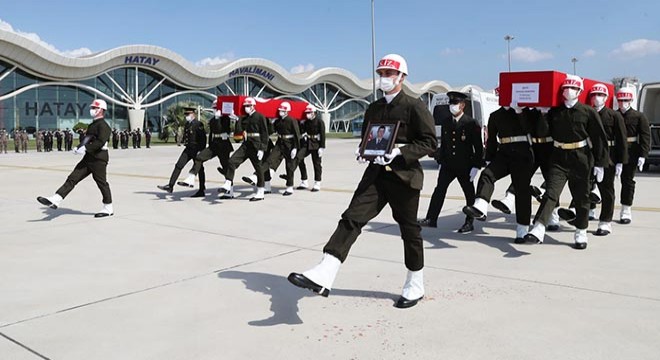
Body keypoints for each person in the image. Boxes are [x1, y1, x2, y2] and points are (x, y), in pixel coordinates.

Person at [288, 54, 437, 309]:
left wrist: (400, 152)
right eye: (381, 73)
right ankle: (325, 271)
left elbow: (429, 142)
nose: (384, 78)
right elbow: (368, 138)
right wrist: (362, 151)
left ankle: (415, 283)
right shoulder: (374, 107)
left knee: (409, 231)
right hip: (376, 176)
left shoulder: (415, 107)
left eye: (390, 74)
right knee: (351, 219)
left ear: (402, 77)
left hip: (404, 178)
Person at [523, 75, 608, 249]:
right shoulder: (555, 111)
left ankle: (581, 231)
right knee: (551, 193)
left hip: (581, 158)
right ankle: (538, 228)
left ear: (579, 91)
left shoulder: (587, 111)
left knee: (581, 197)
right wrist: (543, 114)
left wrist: (600, 163)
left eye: (573, 89)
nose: (568, 91)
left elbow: (599, 138)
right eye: (565, 89)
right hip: (559, 157)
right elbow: (542, 132)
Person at [462, 104, 533, 243]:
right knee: (487, 174)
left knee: (522, 191)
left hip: (523, 153)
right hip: (504, 153)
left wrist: (520, 112)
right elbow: (492, 140)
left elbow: (529, 129)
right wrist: (489, 159)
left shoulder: (524, 112)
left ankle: (522, 230)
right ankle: (481, 206)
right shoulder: (495, 115)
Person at [418, 91, 484, 232]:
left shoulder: (471, 123)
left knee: (469, 194)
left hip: (465, 165)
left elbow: (478, 147)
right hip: (448, 164)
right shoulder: (446, 122)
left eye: (455, 103)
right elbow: (445, 144)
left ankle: (469, 222)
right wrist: (441, 162)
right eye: (451, 103)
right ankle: (431, 218)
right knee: (439, 191)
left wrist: (476, 166)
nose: (452, 106)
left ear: (462, 105)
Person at [37, 99, 114, 217]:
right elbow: (88, 138)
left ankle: (108, 208)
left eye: (94, 108)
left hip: (98, 159)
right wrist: (79, 147)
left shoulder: (104, 126)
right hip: (88, 158)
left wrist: (86, 148)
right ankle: (56, 198)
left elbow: (100, 142)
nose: (92, 110)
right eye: (92, 108)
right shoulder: (93, 124)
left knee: (101, 183)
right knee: (73, 178)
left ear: (101, 110)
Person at [178, 100, 235, 199]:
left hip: (223, 146)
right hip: (214, 145)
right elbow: (212, 134)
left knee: (226, 167)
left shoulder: (225, 118)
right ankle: (191, 177)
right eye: (213, 108)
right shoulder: (212, 119)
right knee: (199, 157)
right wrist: (206, 147)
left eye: (216, 108)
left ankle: (229, 191)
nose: (214, 110)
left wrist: (218, 118)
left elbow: (224, 129)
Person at [245, 101, 301, 196]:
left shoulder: (292, 120)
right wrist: (271, 122)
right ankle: (256, 176)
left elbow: (296, 135)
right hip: (280, 143)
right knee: (269, 160)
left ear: (287, 111)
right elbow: (270, 131)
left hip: (290, 145)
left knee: (289, 166)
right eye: (280, 110)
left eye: (282, 110)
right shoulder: (278, 121)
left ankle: (289, 187)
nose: (280, 112)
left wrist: (295, 148)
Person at [219, 97, 270, 201]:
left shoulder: (260, 117)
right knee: (232, 161)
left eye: (247, 106)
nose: (246, 108)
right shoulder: (245, 118)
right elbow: (239, 131)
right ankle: (228, 182)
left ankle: (260, 191)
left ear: (253, 106)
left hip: (256, 145)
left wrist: (262, 149)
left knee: (258, 168)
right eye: (245, 106)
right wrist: (237, 119)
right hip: (246, 145)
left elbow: (265, 134)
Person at [616, 87, 651, 224]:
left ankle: (626, 209)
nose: (622, 103)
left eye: (625, 100)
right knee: (605, 182)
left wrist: (643, 155)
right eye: (620, 100)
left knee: (627, 181)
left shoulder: (639, 116)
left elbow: (645, 136)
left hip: (631, 152)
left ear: (630, 100)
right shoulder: (614, 115)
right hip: (615, 151)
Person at [157, 107, 207, 194]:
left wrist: (201, 150)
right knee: (178, 165)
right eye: (186, 114)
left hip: (196, 149)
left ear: (193, 114)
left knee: (199, 169)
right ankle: (170, 186)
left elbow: (203, 139)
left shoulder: (198, 124)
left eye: (188, 114)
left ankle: (202, 189)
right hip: (188, 149)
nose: (186, 116)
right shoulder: (187, 124)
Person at [296, 104, 326, 191]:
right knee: (299, 158)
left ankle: (317, 182)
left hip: (316, 144)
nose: (307, 114)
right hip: (307, 143)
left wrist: (322, 147)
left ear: (314, 113)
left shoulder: (319, 122)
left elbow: (323, 135)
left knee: (316, 164)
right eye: (307, 112)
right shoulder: (306, 122)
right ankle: (304, 180)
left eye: (309, 112)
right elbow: (303, 131)